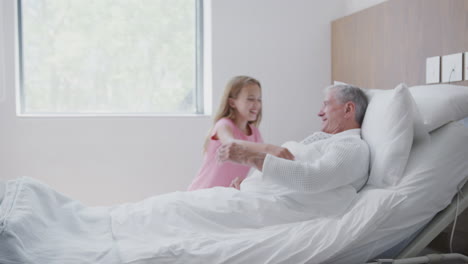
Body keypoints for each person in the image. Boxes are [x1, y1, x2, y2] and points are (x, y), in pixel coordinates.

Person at [217, 84, 370, 193]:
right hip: (246, 194)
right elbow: (290, 176)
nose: (320, 113)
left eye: (326, 105)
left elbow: (311, 180)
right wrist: (249, 184)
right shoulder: (326, 141)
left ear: (348, 109)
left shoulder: (351, 146)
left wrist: (250, 158)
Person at [187, 76, 294, 191]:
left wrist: (246, 181)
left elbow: (260, 164)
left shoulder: (255, 133)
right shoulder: (223, 125)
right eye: (250, 99)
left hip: (224, 197)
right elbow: (231, 144)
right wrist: (269, 148)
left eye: (259, 99)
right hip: (202, 191)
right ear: (232, 103)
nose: (256, 104)